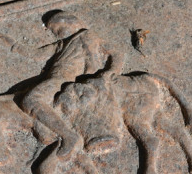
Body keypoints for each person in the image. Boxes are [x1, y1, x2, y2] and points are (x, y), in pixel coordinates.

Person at [20, 11, 122, 158]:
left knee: (31, 100)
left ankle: (68, 136)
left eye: (58, 29)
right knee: (30, 100)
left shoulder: (88, 36)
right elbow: (37, 54)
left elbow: (117, 53)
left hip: (65, 81)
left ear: (71, 23)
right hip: (60, 80)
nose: (56, 34)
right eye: (54, 31)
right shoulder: (62, 44)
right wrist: (11, 44)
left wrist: (111, 71)